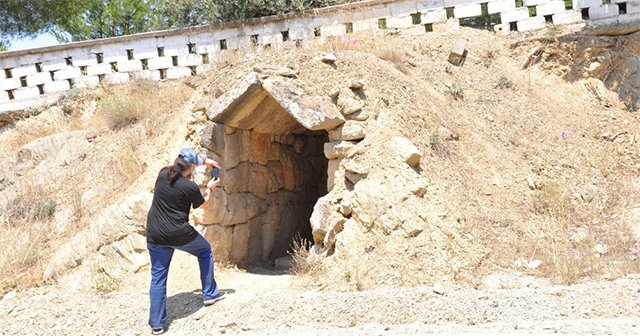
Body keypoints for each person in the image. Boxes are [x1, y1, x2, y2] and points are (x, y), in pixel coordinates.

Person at [145, 148, 223, 335]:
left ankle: (157, 325)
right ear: (193, 167)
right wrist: (210, 188)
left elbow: (189, 162)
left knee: (158, 278)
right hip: (179, 233)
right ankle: (210, 294)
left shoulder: (163, 173)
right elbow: (202, 203)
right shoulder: (190, 187)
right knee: (205, 251)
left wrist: (206, 162)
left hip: (155, 233)